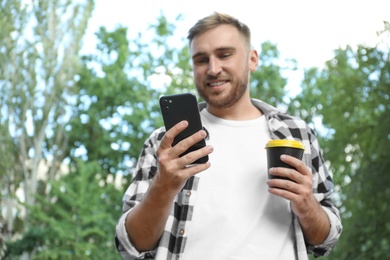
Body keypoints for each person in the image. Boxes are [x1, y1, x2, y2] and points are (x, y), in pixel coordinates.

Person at [115, 12, 342, 260]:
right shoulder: (165, 142)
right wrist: (163, 187)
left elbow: (325, 241)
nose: (213, 69)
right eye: (201, 60)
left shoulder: (297, 134)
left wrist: (307, 205)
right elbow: (131, 245)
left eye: (225, 55)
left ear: (252, 60)